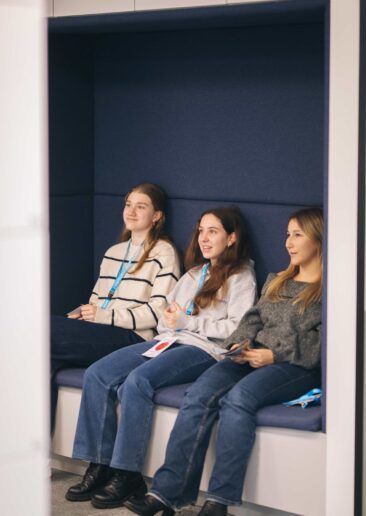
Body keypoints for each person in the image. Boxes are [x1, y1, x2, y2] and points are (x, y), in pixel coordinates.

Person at [125, 207, 323, 516]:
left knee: (238, 399)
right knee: (198, 395)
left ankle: (218, 501)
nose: (289, 242)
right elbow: (251, 320)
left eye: (298, 235)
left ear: (319, 240)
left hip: (293, 365)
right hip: (249, 354)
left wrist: (274, 354)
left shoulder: (328, 290)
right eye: (288, 234)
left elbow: (323, 343)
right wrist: (238, 345)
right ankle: (166, 493)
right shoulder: (278, 281)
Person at [65, 206, 258, 509]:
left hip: (203, 349)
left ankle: (126, 473)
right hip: (167, 341)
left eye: (213, 232)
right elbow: (166, 316)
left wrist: (187, 322)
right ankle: (98, 464)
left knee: (138, 381)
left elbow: (236, 329)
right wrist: (170, 322)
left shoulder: (242, 276)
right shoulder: (193, 274)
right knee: (98, 373)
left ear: (232, 238)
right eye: (201, 231)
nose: (204, 238)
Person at [51, 183, 180, 431]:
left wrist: (104, 316)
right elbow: (96, 301)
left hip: (134, 338)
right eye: (128, 205)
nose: (131, 211)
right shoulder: (114, 252)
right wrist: (82, 314)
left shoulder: (165, 253)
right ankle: (36, 444)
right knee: (42, 358)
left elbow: (158, 313)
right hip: (101, 329)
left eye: (140, 207)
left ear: (156, 216)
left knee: (44, 328)